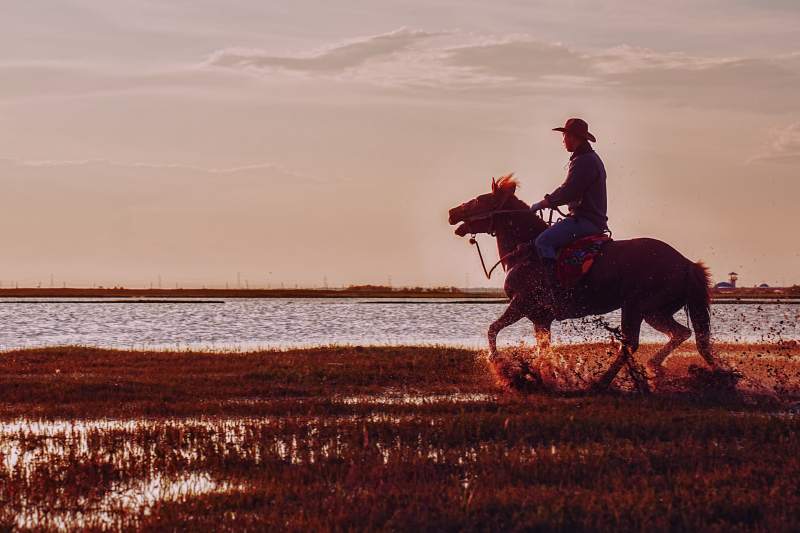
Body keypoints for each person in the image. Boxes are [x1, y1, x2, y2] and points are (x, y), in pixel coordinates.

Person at [529, 118, 607, 269]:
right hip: (591, 221)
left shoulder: (584, 160)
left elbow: (567, 192)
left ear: (572, 137)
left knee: (543, 242)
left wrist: (541, 204)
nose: (563, 140)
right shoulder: (591, 158)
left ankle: (552, 284)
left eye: (564, 136)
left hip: (585, 221)